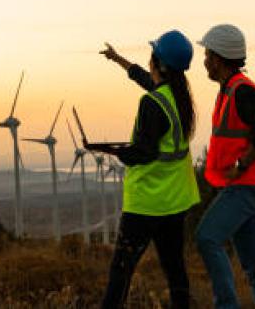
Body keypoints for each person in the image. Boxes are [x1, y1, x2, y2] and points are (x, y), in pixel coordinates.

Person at [86, 30, 201, 309]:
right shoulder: (179, 97)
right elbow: (144, 78)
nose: (149, 62)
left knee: (121, 272)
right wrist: (118, 59)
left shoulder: (151, 103)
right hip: (176, 200)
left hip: (147, 203)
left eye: (152, 56)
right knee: (175, 269)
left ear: (160, 64)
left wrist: (111, 151)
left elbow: (144, 154)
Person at [194, 24, 255, 309]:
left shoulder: (242, 92)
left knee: (207, 238)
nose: (204, 61)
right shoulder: (230, 90)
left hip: (248, 184)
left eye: (207, 55)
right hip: (244, 184)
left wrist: (242, 166)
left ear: (218, 59)